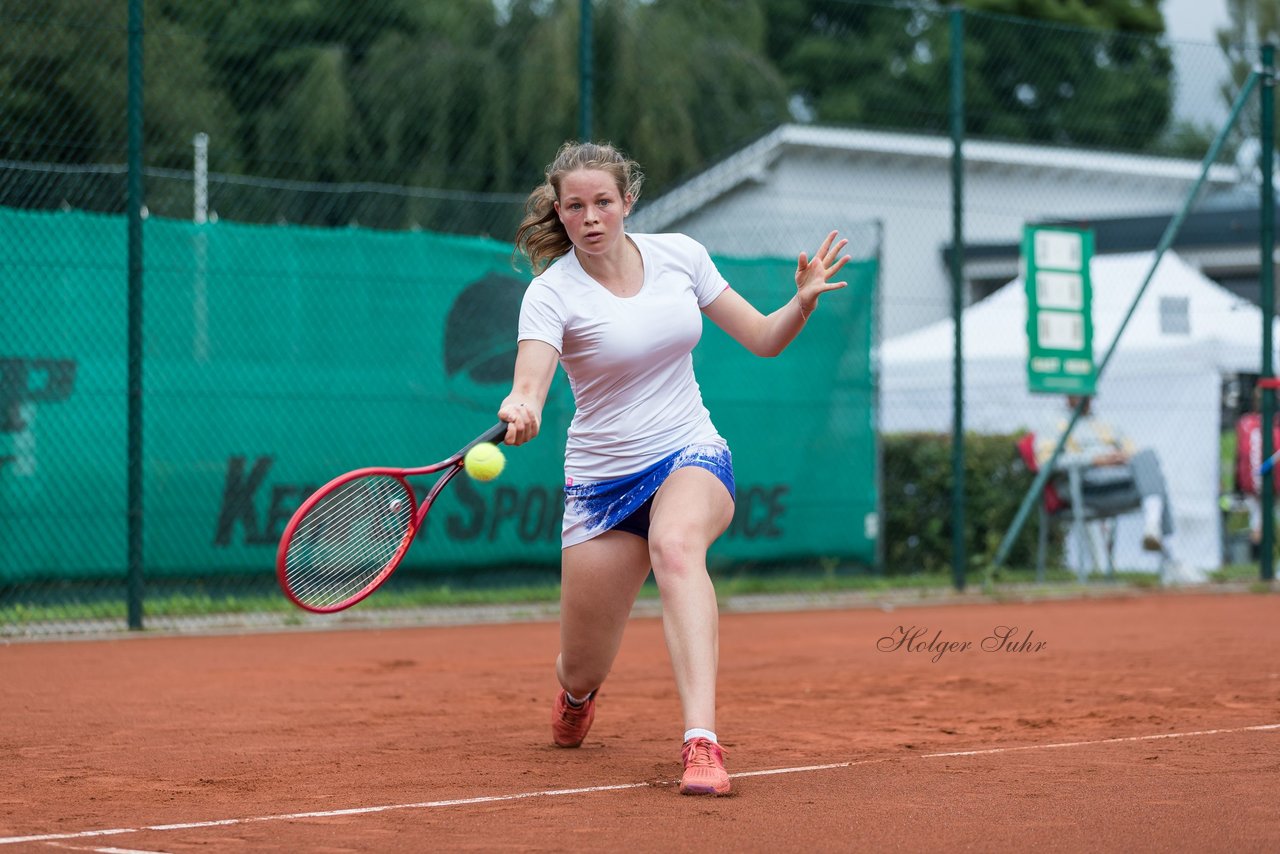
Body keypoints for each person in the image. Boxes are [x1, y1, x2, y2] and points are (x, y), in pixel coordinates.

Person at [496, 140, 850, 797]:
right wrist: (521, 407)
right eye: (576, 206)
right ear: (561, 213)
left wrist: (800, 302)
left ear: (627, 201)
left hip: (690, 450)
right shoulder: (551, 295)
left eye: (604, 201)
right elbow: (531, 385)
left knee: (677, 545)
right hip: (601, 487)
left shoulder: (681, 257)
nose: (592, 216)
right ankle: (576, 698)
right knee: (581, 665)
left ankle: (701, 744)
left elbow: (764, 339)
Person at [1034, 394, 1174, 553]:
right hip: (1084, 486)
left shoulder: (1104, 422)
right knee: (1156, 486)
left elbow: (1132, 452)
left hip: (1118, 479)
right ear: (1068, 395)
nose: (1084, 399)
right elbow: (1046, 463)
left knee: (1148, 459)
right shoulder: (1053, 422)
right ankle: (1168, 554)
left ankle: (1152, 527)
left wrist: (1123, 456)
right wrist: (1094, 460)